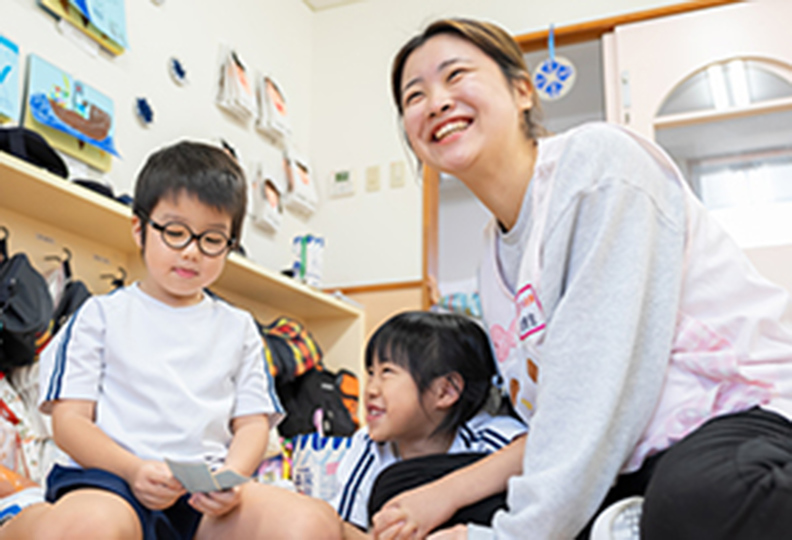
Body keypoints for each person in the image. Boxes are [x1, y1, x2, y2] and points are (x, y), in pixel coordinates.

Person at [375, 17, 792, 540]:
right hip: (624, 455)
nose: (435, 102)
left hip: (734, 415)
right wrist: (445, 493)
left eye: (455, 76)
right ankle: (619, 523)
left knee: (706, 496)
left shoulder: (597, 164)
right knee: (401, 489)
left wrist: (508, 536)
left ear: (521, 90)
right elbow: (558, 423)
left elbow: (597, 394)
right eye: (414, 96)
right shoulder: (493, 254)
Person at [0, 141, 341, 540]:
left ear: (231, 244)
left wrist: (231, 478)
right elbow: (69, 423)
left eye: (212, 240)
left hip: (204, 497)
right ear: (139, 228)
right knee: (89, 528)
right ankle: (19, 518)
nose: (192, 252)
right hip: (109, 482)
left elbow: (252, 426)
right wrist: (133, 470)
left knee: (310, 522)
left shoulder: (240, 327)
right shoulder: (99, 316)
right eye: (175, 232)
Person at [333, 311, 526, 540]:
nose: (371, 389)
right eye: (371, 373)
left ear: (445, 391)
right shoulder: (370, 446)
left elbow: (537, 450)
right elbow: (346, 525)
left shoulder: (484, 437)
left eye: (387, 372)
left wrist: (445, 495)